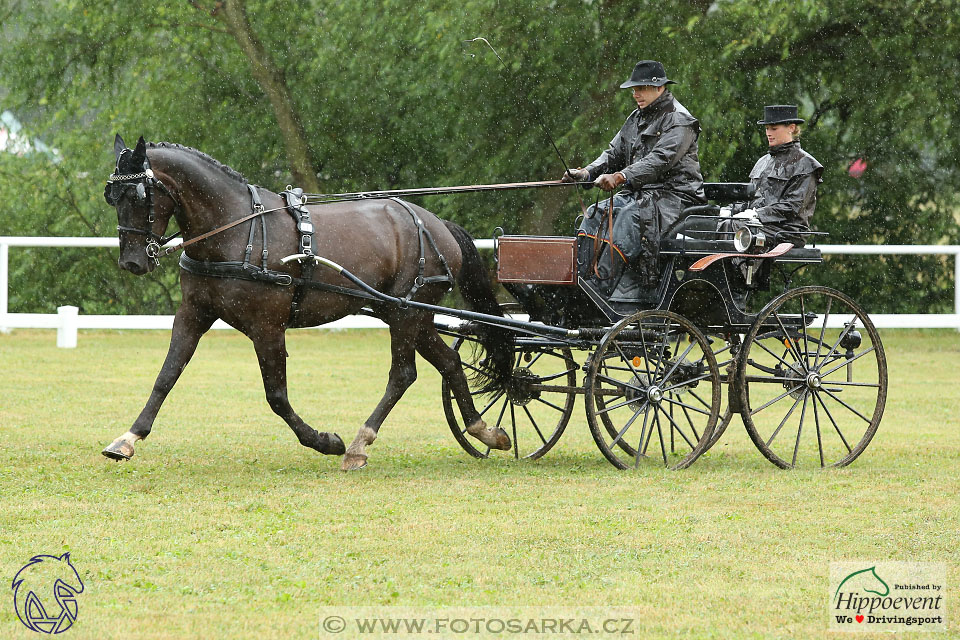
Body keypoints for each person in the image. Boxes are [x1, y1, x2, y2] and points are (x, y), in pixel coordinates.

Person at [562, 60, 705, 298]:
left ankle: (600, 289)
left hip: (674, 198)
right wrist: (587, 173)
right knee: (595, 213)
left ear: (659, 87)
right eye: (634, 89)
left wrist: (621, 176)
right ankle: (579, 279)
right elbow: (613, 154)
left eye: (641, 88)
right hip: (639, 195)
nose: (635, 94)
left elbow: (659, 160)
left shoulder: (680, 120)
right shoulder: (636, 118)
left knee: (629, 218)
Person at [724, 104, 823, 247]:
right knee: (716, 222)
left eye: (774, 128)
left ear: (792, 128)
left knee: (736, 227)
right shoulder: (762, 162)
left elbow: (792, 206)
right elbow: (751, 200)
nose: (768, 133)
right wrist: (730, 210)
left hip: (788, 231)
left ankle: (731, 269)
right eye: (766, 128)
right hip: (759, 225)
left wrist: (757, 214)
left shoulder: (806, 164)